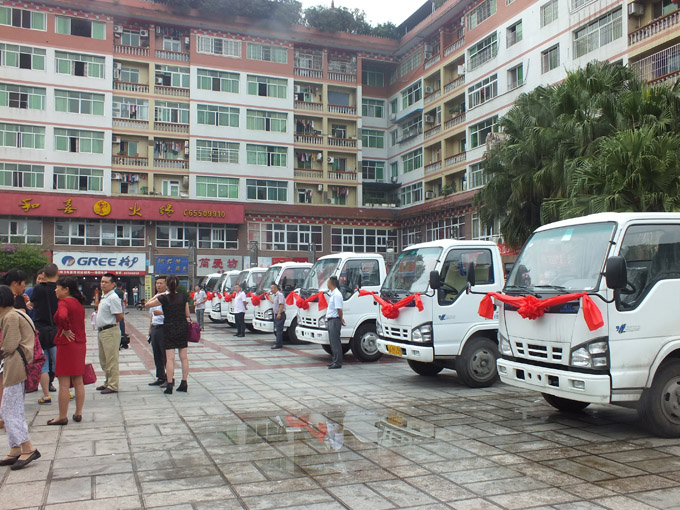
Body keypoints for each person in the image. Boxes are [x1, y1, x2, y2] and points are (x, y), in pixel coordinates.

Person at [0, 285, 41, 470]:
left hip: (16, 366)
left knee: (10, 409)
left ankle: (27, 447)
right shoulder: (15, 313)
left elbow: (9, 346)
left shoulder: (10, 317)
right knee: (10, 406)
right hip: (18, 365)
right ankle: (15, 448)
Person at [47, 277, 87, 426]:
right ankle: (78, 412)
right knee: (78, 381)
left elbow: (63, 316)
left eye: (57, 287)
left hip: (67, 343)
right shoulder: (78, 303)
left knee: (64, 382)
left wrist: (65, 328)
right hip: (80, 343)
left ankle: (62, 416)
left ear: (66, 289)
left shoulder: (63, 302)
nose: (55, 290)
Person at [145, 276, 189, 394]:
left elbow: (147, 304)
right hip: (182, 327)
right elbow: (187, 314)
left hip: (169, 328)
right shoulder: (183, 297)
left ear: (167, 285)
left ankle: (169, 385)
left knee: (170, 358)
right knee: (184, 357)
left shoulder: (163, 298)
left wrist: (158, 295)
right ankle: (184, 383)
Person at [29, 263, 60, 405]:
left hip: (40, 329)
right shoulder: (60, 288)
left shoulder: (38, 289)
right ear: (57, 273)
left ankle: (46, 395)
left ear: (44, 275)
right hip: (56, 330)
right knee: (59, 362)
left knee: (44, 364)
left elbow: (32, 304)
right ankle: (67, 390)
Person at [96, 273, 123, 394]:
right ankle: (107, 382)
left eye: (106, 282)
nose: (103, 284)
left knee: (111, 359)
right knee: (104, 360)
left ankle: (113, 385)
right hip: (102, 331)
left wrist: (110, 324)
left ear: (113, 285)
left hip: (110, 331)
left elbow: (119, 316)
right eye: (102, 281)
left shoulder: (113, 297)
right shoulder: (104, 296)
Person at [147, 276, 168, 387]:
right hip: (155, 327)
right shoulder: (155, 297)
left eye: (161, 283)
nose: (158, 285)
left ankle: (169, 378)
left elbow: (174, 313)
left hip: (164, 328)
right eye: (157, 283)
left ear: (166, 285)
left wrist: (162, 314)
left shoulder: (169, 297)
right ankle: (160, 377)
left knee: (166, 355)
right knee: (157, 354)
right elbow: (152, 314)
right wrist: (150, 328)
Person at [326, 276, 345, 369]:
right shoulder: (332, 294)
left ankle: (338, 362)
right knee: (332, 342)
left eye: (328, 282)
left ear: (331, 283)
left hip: (334, 320)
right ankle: (334, 360)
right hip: (331, 320)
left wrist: (341, 319)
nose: (327, 284)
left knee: (335, 342)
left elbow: (339, 309)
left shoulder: (337, 294)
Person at [268, 283, 285, 350]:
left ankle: (278, 344)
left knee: (279, 330)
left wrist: (279, 313)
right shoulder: (275, 295)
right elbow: (273, 301)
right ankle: (279, 342)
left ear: (276, 288)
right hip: (276, 314)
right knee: (277, 330)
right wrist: (268, 296)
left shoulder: (280, 295)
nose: (271, 290)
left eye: (272, 288)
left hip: (280, 314)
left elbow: (281, 304)